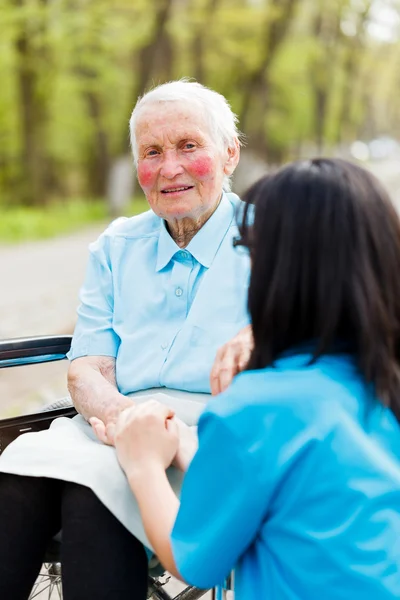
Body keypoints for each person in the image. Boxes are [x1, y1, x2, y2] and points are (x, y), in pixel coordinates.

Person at [0, 80, 251, 599]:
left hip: (214, 432)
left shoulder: (274, 236)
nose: (169, 167)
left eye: (188, 146)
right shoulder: (117, 245)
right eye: (151, 152)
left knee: (93, 498)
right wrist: (120, 419)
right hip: (113, 419)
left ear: (230, 154)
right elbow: (87, 368)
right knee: (14, 485)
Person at [108, 158, 400, 600]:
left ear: (275, 271)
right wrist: (194, 451)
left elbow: (194, 563)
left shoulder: (256, 407)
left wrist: (143, 463)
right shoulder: (381, 383)